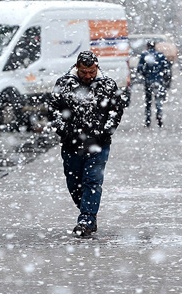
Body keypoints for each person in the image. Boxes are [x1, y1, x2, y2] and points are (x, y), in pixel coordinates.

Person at [49, 50, 125, 237]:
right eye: (84, 72)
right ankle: (86, 209)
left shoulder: (107, 85)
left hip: (98, 144)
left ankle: (87, 219)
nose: (88, 76)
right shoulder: (64, 84)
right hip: (71, 144)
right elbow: (53, 110)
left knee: (92, 180)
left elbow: (116, 111)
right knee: (74, 183)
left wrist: (105, 132)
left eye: (91, 72)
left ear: (96, 67)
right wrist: (64, 131)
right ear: (77, 68)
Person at [137, 40, 171, 127]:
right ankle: (159, 117)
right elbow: (166, 68)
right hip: (158, 80)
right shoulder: (160, 55)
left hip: (148, 80)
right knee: (158, 100)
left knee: (148, 101)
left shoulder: (145, 55)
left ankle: (148, 119)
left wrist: (145, 74)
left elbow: (140, 68)